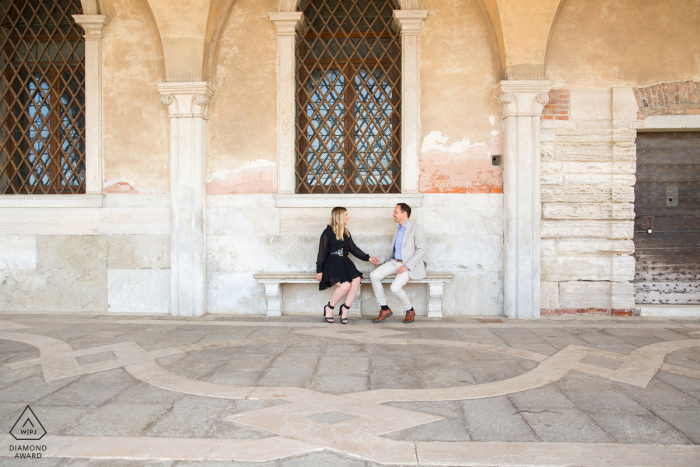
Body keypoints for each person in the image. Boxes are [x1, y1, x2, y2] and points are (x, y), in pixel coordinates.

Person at [316, 207, 380, 324]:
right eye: (346, 215)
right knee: (345, 286)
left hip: (345, 261)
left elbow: (353, 249)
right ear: (339, 216)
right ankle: (329, 308)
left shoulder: (345, 232)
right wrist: (319, 270)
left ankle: (345, 309)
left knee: (357, 279)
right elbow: (321, 252)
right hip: (332, 262)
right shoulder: (327, 232)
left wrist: (368, 258)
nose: (348, 217)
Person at [370, 203, 426, 323]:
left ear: (404, 214)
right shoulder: (396, 230)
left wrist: (406, 266)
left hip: (409, 266)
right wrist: (381, 260)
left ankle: (409, 310)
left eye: (395, 212)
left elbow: (421, 251)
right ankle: (384, 309)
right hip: (395, 262)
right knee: (374, 275)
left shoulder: (417, 229)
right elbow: (392, 252)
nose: (393, 214)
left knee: (395, 287)